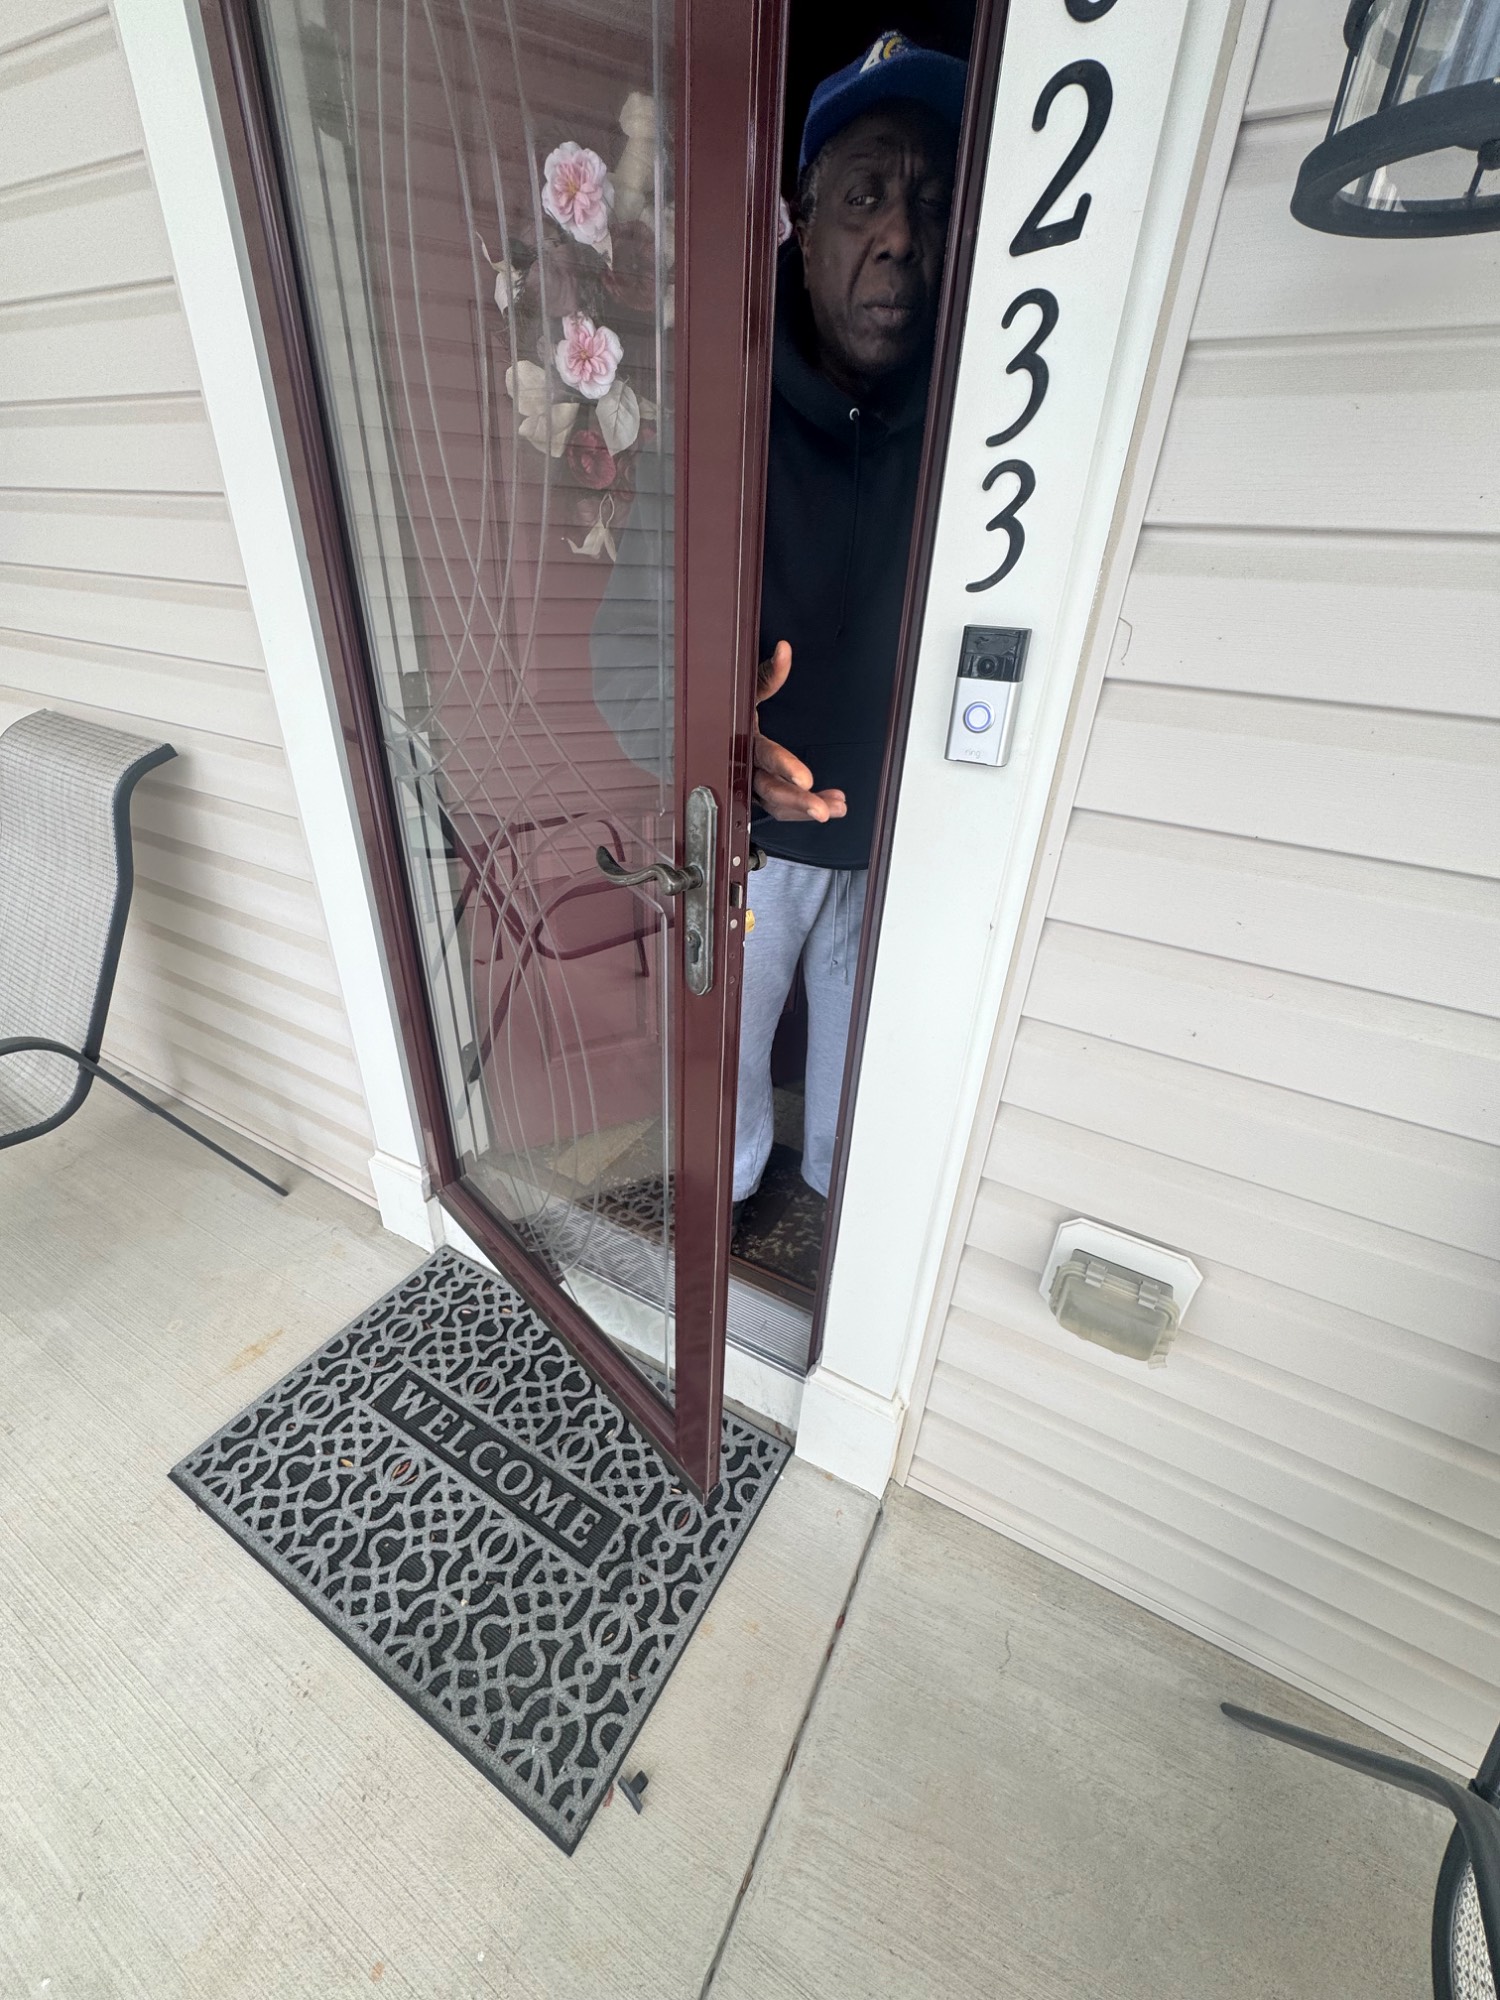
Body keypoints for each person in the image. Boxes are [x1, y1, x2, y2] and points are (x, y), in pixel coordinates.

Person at [594, 31, 965, 1221]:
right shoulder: (723, 424)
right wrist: (714, 742)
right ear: (804, 224)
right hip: (751, 846)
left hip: (907, 844)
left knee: (859, 1130)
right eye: (864, 196)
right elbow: (624, 655)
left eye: (930, 200)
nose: (899, 234)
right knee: (726, 1113)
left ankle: (832, 1226)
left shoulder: (983, 423)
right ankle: (729, 1210)